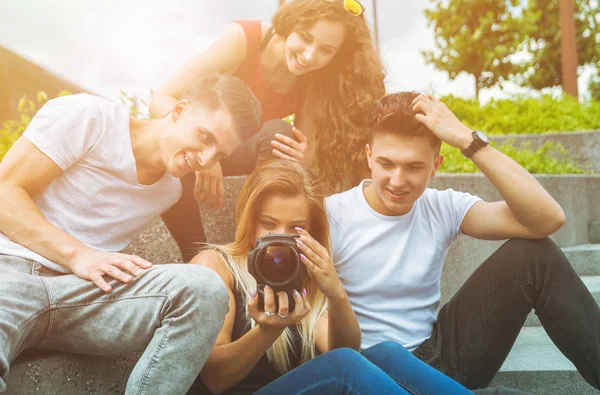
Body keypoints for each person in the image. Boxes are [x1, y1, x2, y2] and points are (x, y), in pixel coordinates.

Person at [0, 74, 262, 394]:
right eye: (205, 136)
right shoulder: (90, 117)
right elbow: (3, 191)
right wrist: (78, 255)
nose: (206, 160)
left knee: (207, 289)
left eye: (219, 154)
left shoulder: (170, 191)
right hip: (10, 274)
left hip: (84, 297)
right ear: (178, 110)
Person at [325, 91, 600, 391]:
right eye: (386, 163)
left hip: (440, 358)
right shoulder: (332, 215)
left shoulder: (442, 207)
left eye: (414, 166)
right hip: (367, 372)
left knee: (535, 257)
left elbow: (548, 219)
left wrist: (468, 141)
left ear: (436, 165)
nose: (397, 180)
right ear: (368, 156)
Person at [186, 159, 475, 395]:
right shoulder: (216, 265)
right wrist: (268, 330)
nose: (280, 237)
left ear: (310, 231)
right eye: (269, 224)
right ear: (248, 218)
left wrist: (335, 292)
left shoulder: (305, 274)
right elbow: (216, 379)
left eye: (296, 228)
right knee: (344, 366)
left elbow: (344, 350)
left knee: (387, 352)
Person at [149, 0, 386, 262]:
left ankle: (257, 252)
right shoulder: (243, 39)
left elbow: (300, 147)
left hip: (244, 152)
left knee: (278, 135)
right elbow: (161, 99)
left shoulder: (315, 77)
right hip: (198, 143)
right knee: (167, 160)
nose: (309, 55)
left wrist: (305, 160)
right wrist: (206, 151)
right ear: (291, 22)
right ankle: (194, 257)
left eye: (325, 50)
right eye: (305, 38)